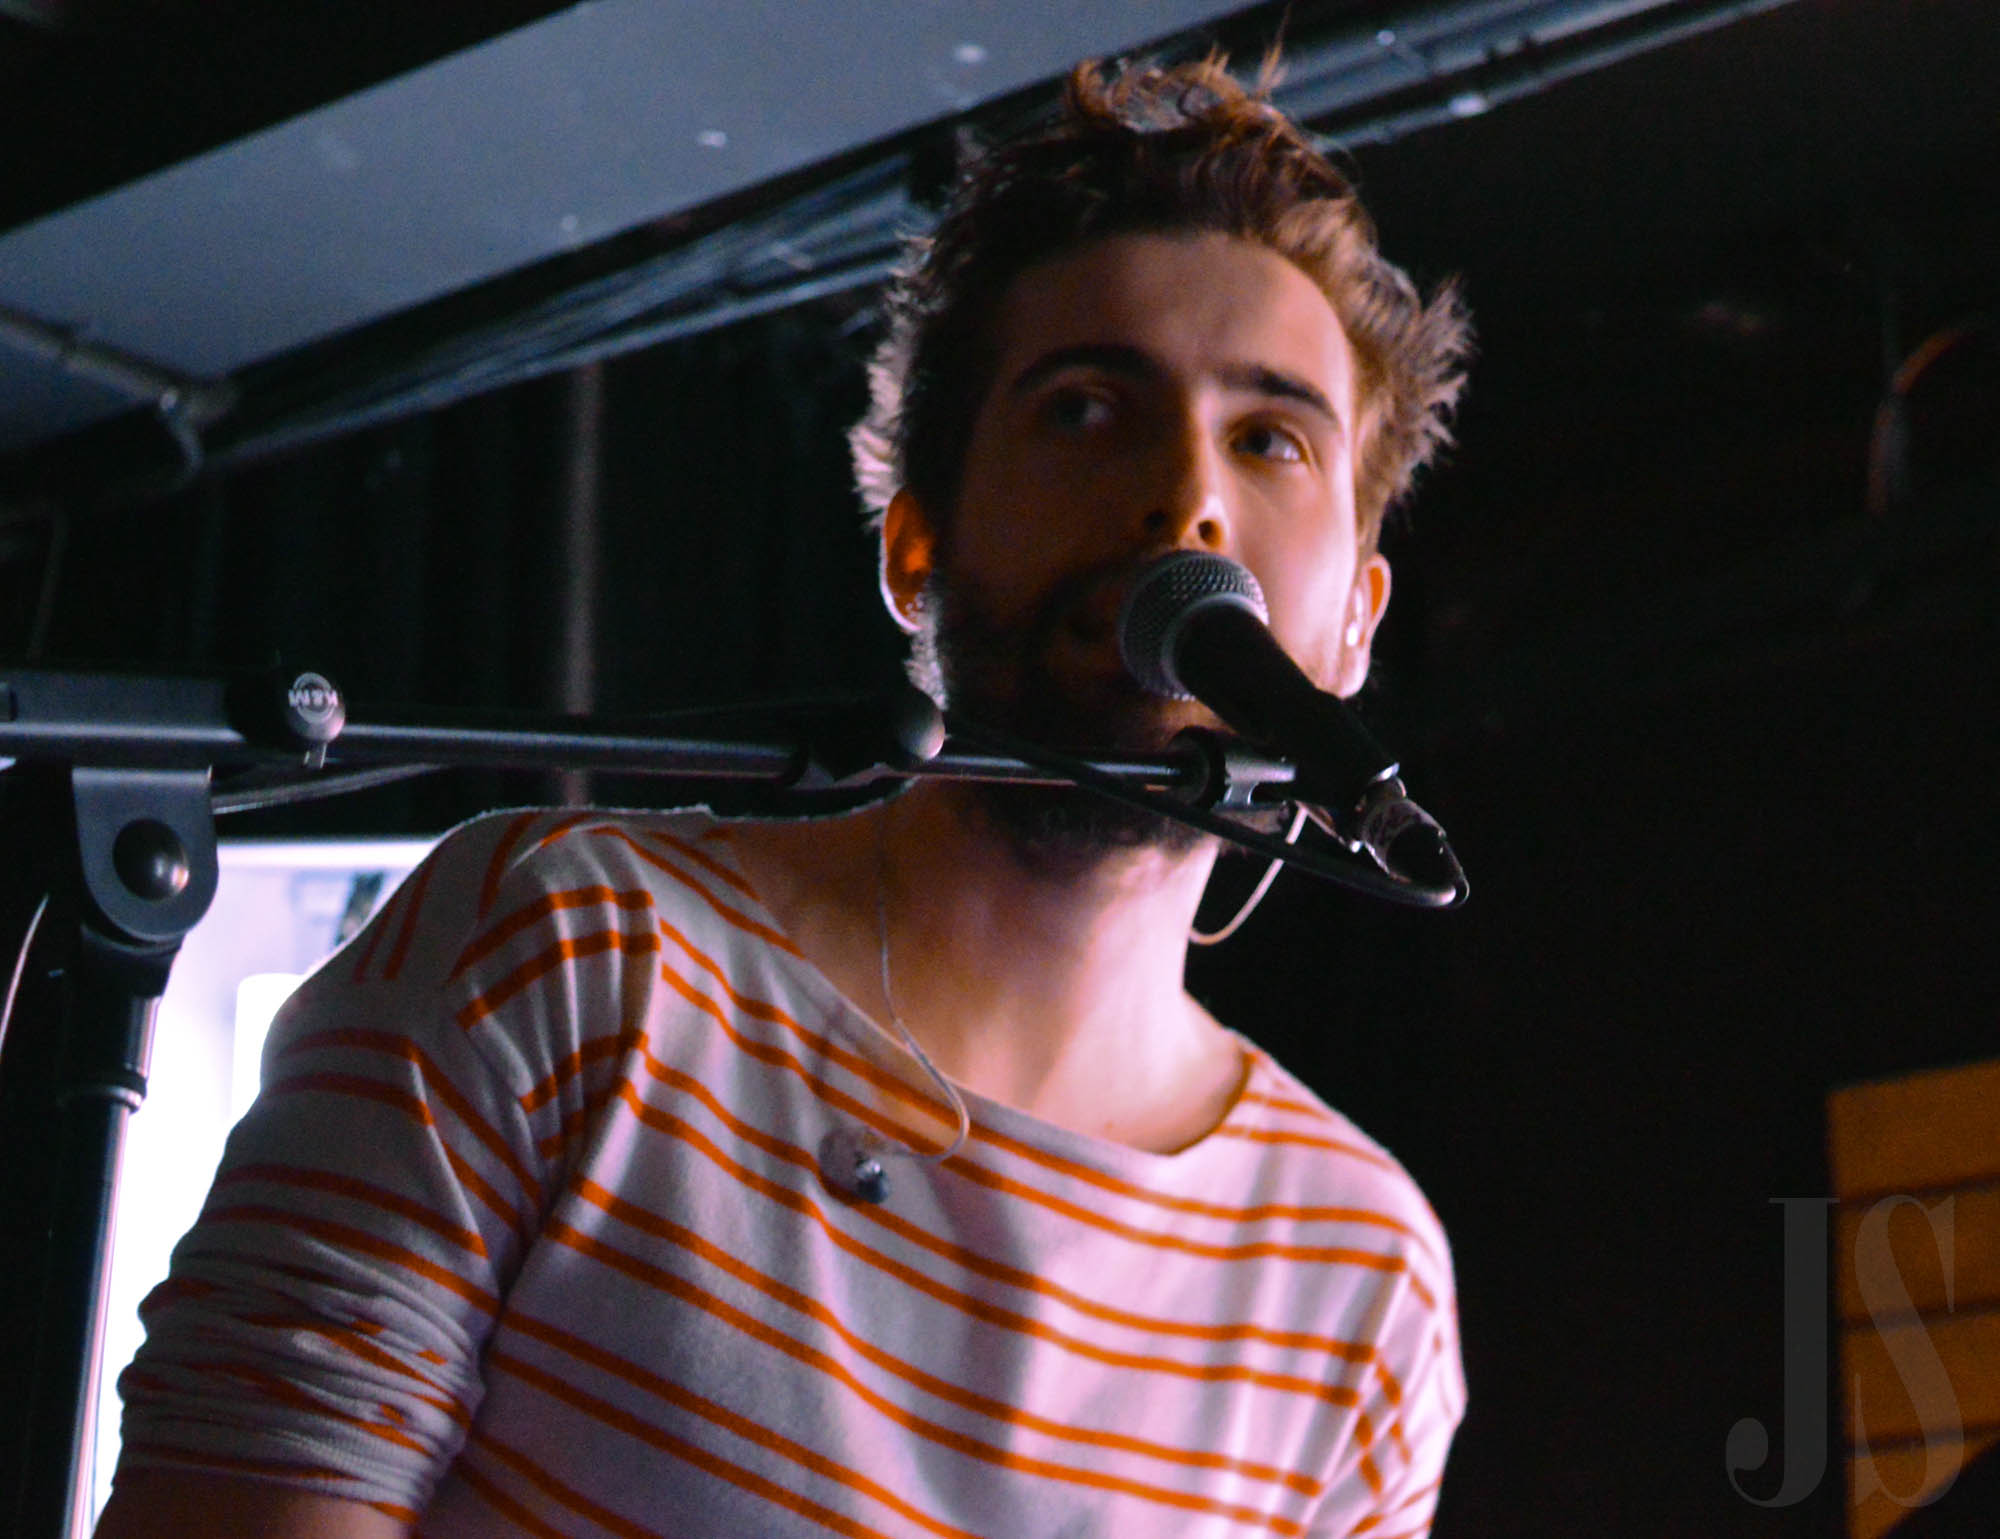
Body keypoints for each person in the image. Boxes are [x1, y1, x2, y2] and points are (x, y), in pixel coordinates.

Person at [96, 53, 1472, 1539]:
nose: (1186, 497)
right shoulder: (562, 956)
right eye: (1087, 409)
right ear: (916, 549)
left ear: (1357, 622)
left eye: (1271, 438)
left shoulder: (1363, 1281)